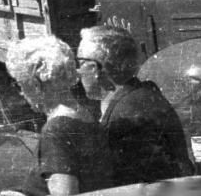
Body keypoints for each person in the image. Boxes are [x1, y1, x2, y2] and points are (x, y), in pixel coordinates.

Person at [0, 35, 113, 196]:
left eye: (21, 83)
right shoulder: (84, 114)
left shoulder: (56, 129)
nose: (21, 92)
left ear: (36, 83)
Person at [76, 25, 194, 185]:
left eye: (80, 63)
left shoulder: (125, 117)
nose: (78, 72)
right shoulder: (143, 95)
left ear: (96, 69)